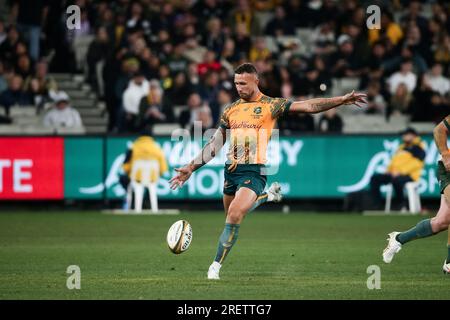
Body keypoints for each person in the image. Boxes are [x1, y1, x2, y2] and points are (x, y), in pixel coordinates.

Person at [169, 63, 366, 280]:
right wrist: (190, 167)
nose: (239, 87)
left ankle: (214, 267)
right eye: (236, 83)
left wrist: (340, 100)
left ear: (256, 81)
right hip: (230, 171)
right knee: (232, 217)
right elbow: (215, 145)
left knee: (235, 214)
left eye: (243, 83)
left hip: (254, 170)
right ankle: (267, 196)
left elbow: (308, 106)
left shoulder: (271, 105)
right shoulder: (231, 109)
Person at [383, 117, 450, 274]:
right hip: (448, 170)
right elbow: (439, 130)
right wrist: (446, 154)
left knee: (442, 222)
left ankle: (398, 239)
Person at [369, 128, 425, 210]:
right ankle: (377, 205)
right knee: (375, 178)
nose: (403, 137)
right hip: (394, 173)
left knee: (397, 180)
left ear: (413, 135)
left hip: (410, 176)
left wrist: (401, 172)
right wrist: (388, 170)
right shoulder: (401, 148)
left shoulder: (418, 148)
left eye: (405, 135)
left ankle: (401, 205)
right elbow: (394, 161)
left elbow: (417, 164)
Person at [119, 131, 168, 210]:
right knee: (151, 189)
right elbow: (163, 169)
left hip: (136, 179)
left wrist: (130, 173)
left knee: (124, 180)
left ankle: (134, 203)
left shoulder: (133, 147)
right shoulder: (157, 147)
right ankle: (148, 204)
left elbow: (125, 167)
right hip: (152, 179)